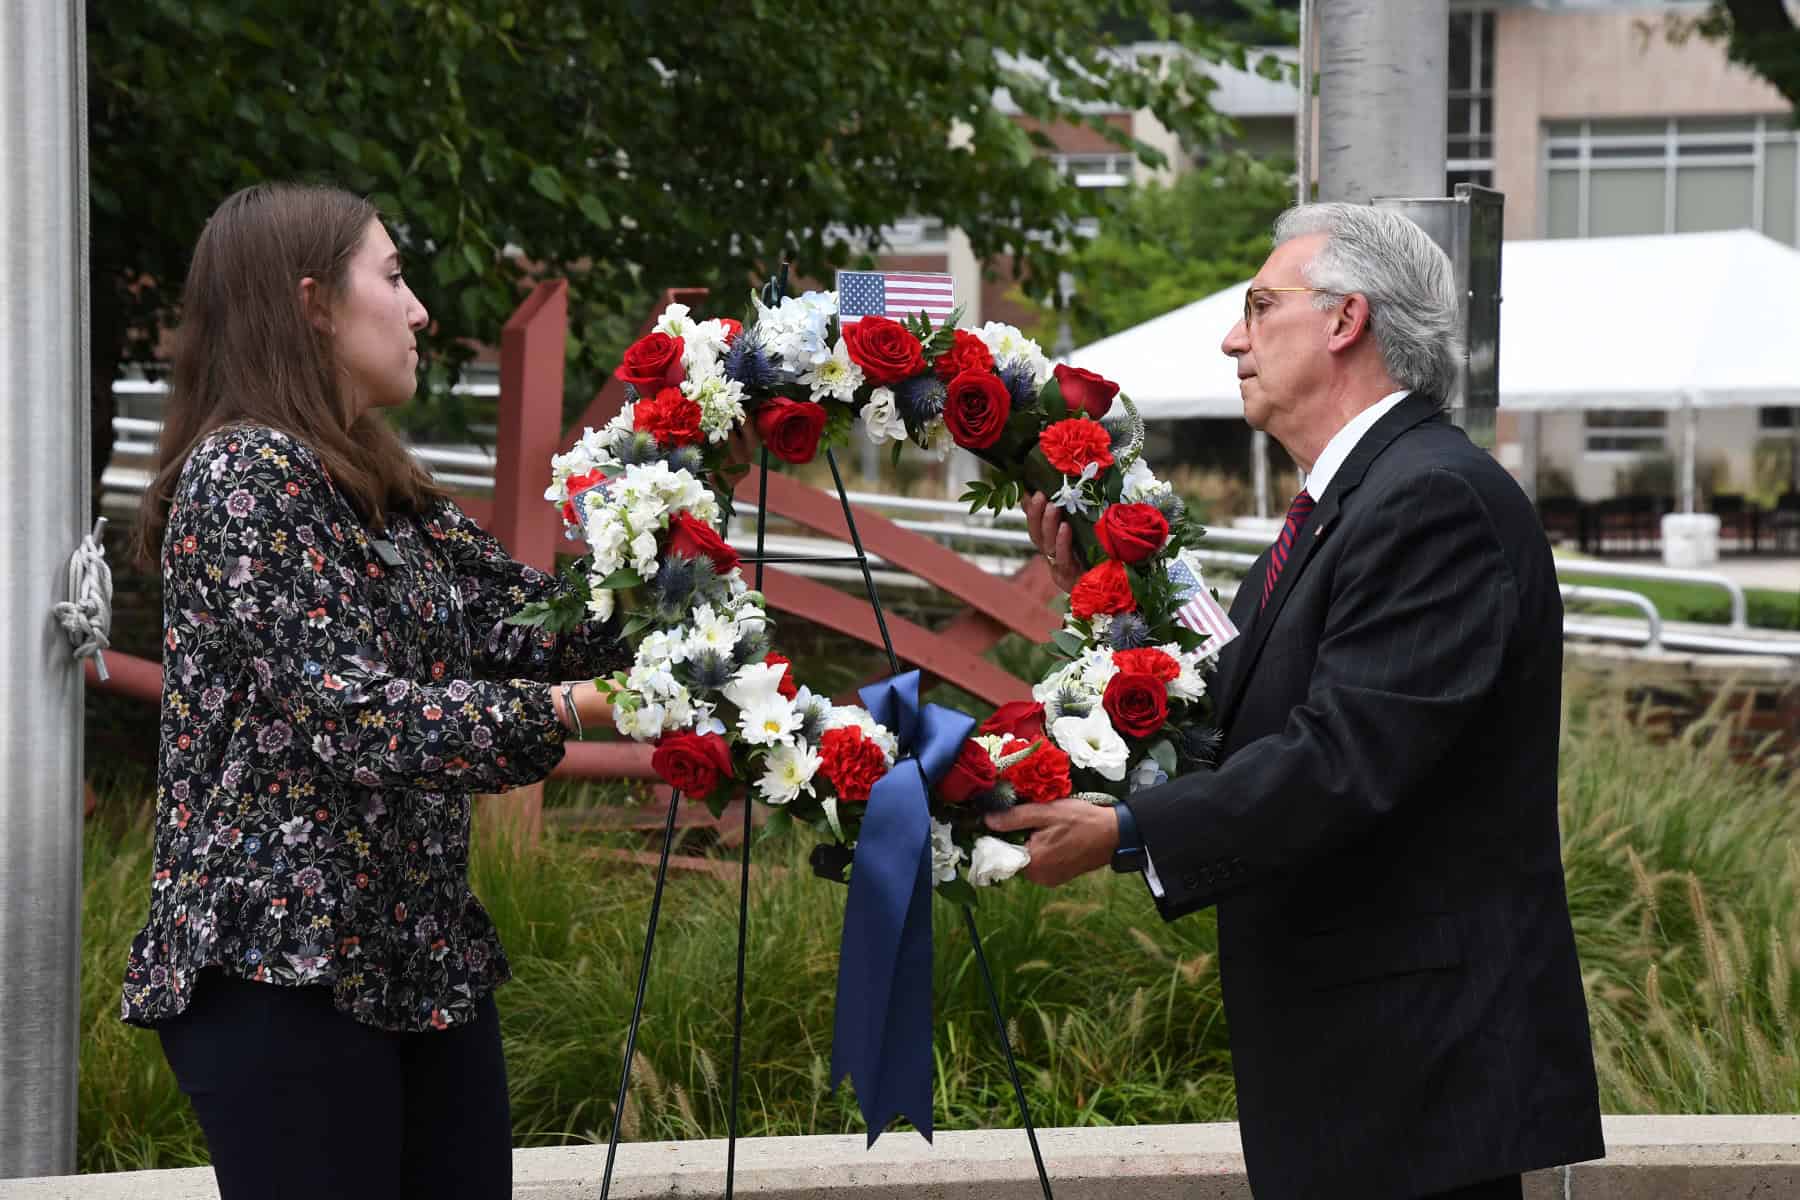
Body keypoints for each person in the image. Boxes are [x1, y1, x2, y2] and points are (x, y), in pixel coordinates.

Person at [994, 203, 1604, 1199]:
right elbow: (1229, 706)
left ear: (1345, 320)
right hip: (1363, 1063)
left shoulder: (1430, 500)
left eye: (1260, 305)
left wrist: (1129, 830)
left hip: (1416, 1076)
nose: (1233, 337)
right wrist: (1099, 593)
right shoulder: (1344, 504)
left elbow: (1341, 758)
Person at [120, 183, 622, 1199]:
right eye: (392, 278)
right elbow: (354, 716)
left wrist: (680, 529)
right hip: (280, 976)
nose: (421, 310)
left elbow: (543, 625)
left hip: (419, 963)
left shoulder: (387, 493)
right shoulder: (244, 477)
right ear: (312, 304)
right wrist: (578, 714)